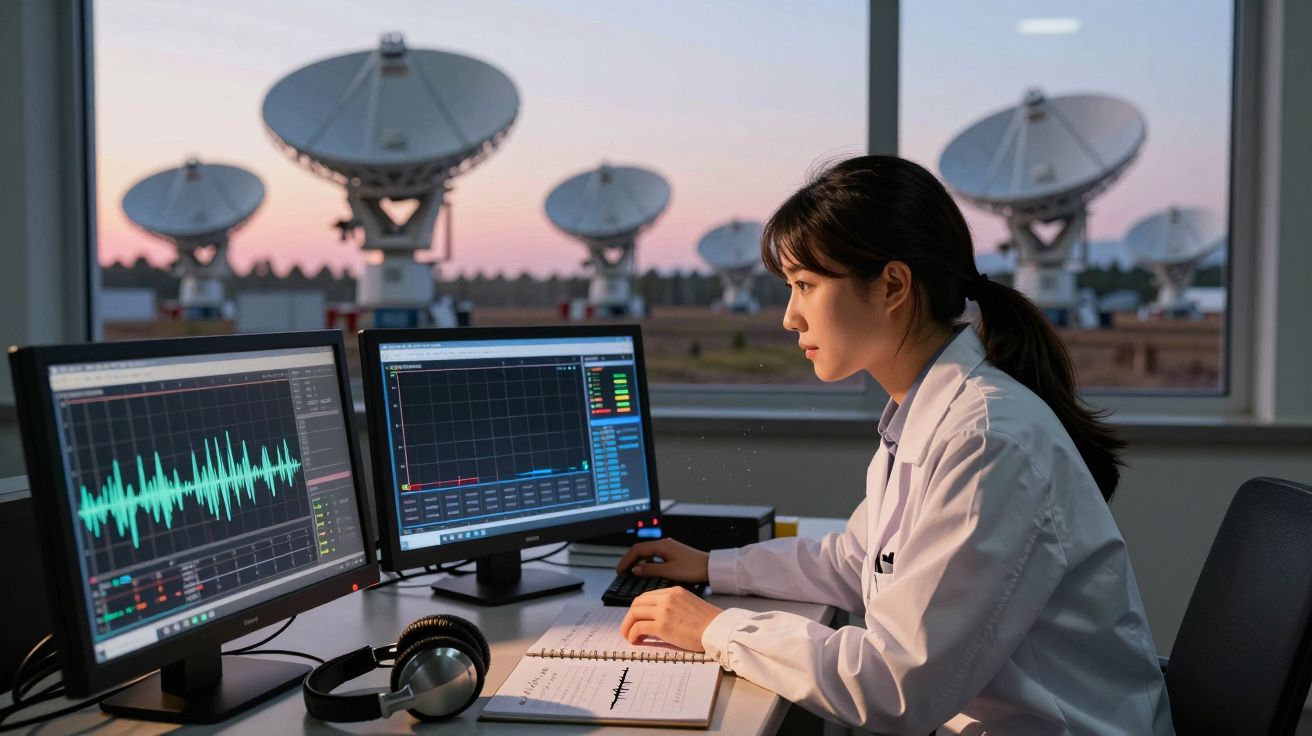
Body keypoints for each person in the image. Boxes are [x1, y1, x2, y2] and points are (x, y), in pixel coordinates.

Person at [617, 155, 1173, 735]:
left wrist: (716, 629)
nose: (789, 318)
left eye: (805, 286)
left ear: (892, 285)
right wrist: (712, 566)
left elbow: (893, 686)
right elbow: (856, 561)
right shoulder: (927, 418)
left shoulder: (987, 441)